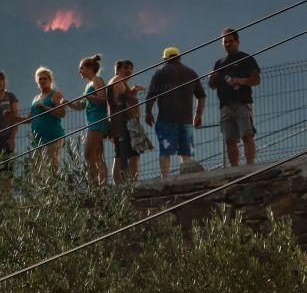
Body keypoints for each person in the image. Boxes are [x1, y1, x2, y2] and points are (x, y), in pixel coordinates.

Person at [145, 47, 206, 178]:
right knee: (186, 152)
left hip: (166, 121)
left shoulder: (160, 73)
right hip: (186, 121)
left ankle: (165, 177)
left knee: (165, 150)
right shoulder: (191, 73)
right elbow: (201, 96)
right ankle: (187, 177)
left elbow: (151, 95)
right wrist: (198, 114)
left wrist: (148, 112)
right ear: (179, 57)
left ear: (165, 59)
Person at [208, 28, 260, 166]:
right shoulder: (219, 63)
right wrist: (212, 79)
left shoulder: (246, 59)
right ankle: (234, 168)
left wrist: (241, 80)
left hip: (243, 103)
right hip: (224, 106)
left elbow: (256, 79)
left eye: (230, 41)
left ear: (237, 41)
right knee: (229, 139)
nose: (227, 44)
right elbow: (212, 86)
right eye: (225, 42)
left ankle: (250, 165)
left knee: (247, 135)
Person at [68, 54, 108, 184]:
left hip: (97, 121)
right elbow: (81, 106)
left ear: (90, 68)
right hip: (93, 121)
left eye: (82, 68)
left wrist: (90, 97)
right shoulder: (89, 84)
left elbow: (103, 100)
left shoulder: (97, 80)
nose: (79, 71)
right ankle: (102, 183)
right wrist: (67, 103)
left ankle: (94, 183)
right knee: (98, 155)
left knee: (88, 153)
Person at [107, 59, 145, 183]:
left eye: (130, 68)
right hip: (125, 123)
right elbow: (121, 103)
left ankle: (131, 183)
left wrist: (133, 91)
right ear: (117, 70)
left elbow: (125, 98)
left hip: (127, 123)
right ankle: (122, 185)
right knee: (121, 155)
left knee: (132, 155)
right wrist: (133, 119)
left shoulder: (122, 82)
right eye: (125, 68)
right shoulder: (117, 81)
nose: (129, 71)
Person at [29, 67, 67, 167]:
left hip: (53, 137)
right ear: (37, 81)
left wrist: (45, 107)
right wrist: (14, 118)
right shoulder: (35, 98)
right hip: (38, 140)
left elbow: (62, 113)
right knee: (37, 171)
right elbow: (30, 118)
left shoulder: (55, 94)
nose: (42, 80)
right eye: (40, 79)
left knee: (51, 169)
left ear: (50, 80)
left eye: (44, 78)